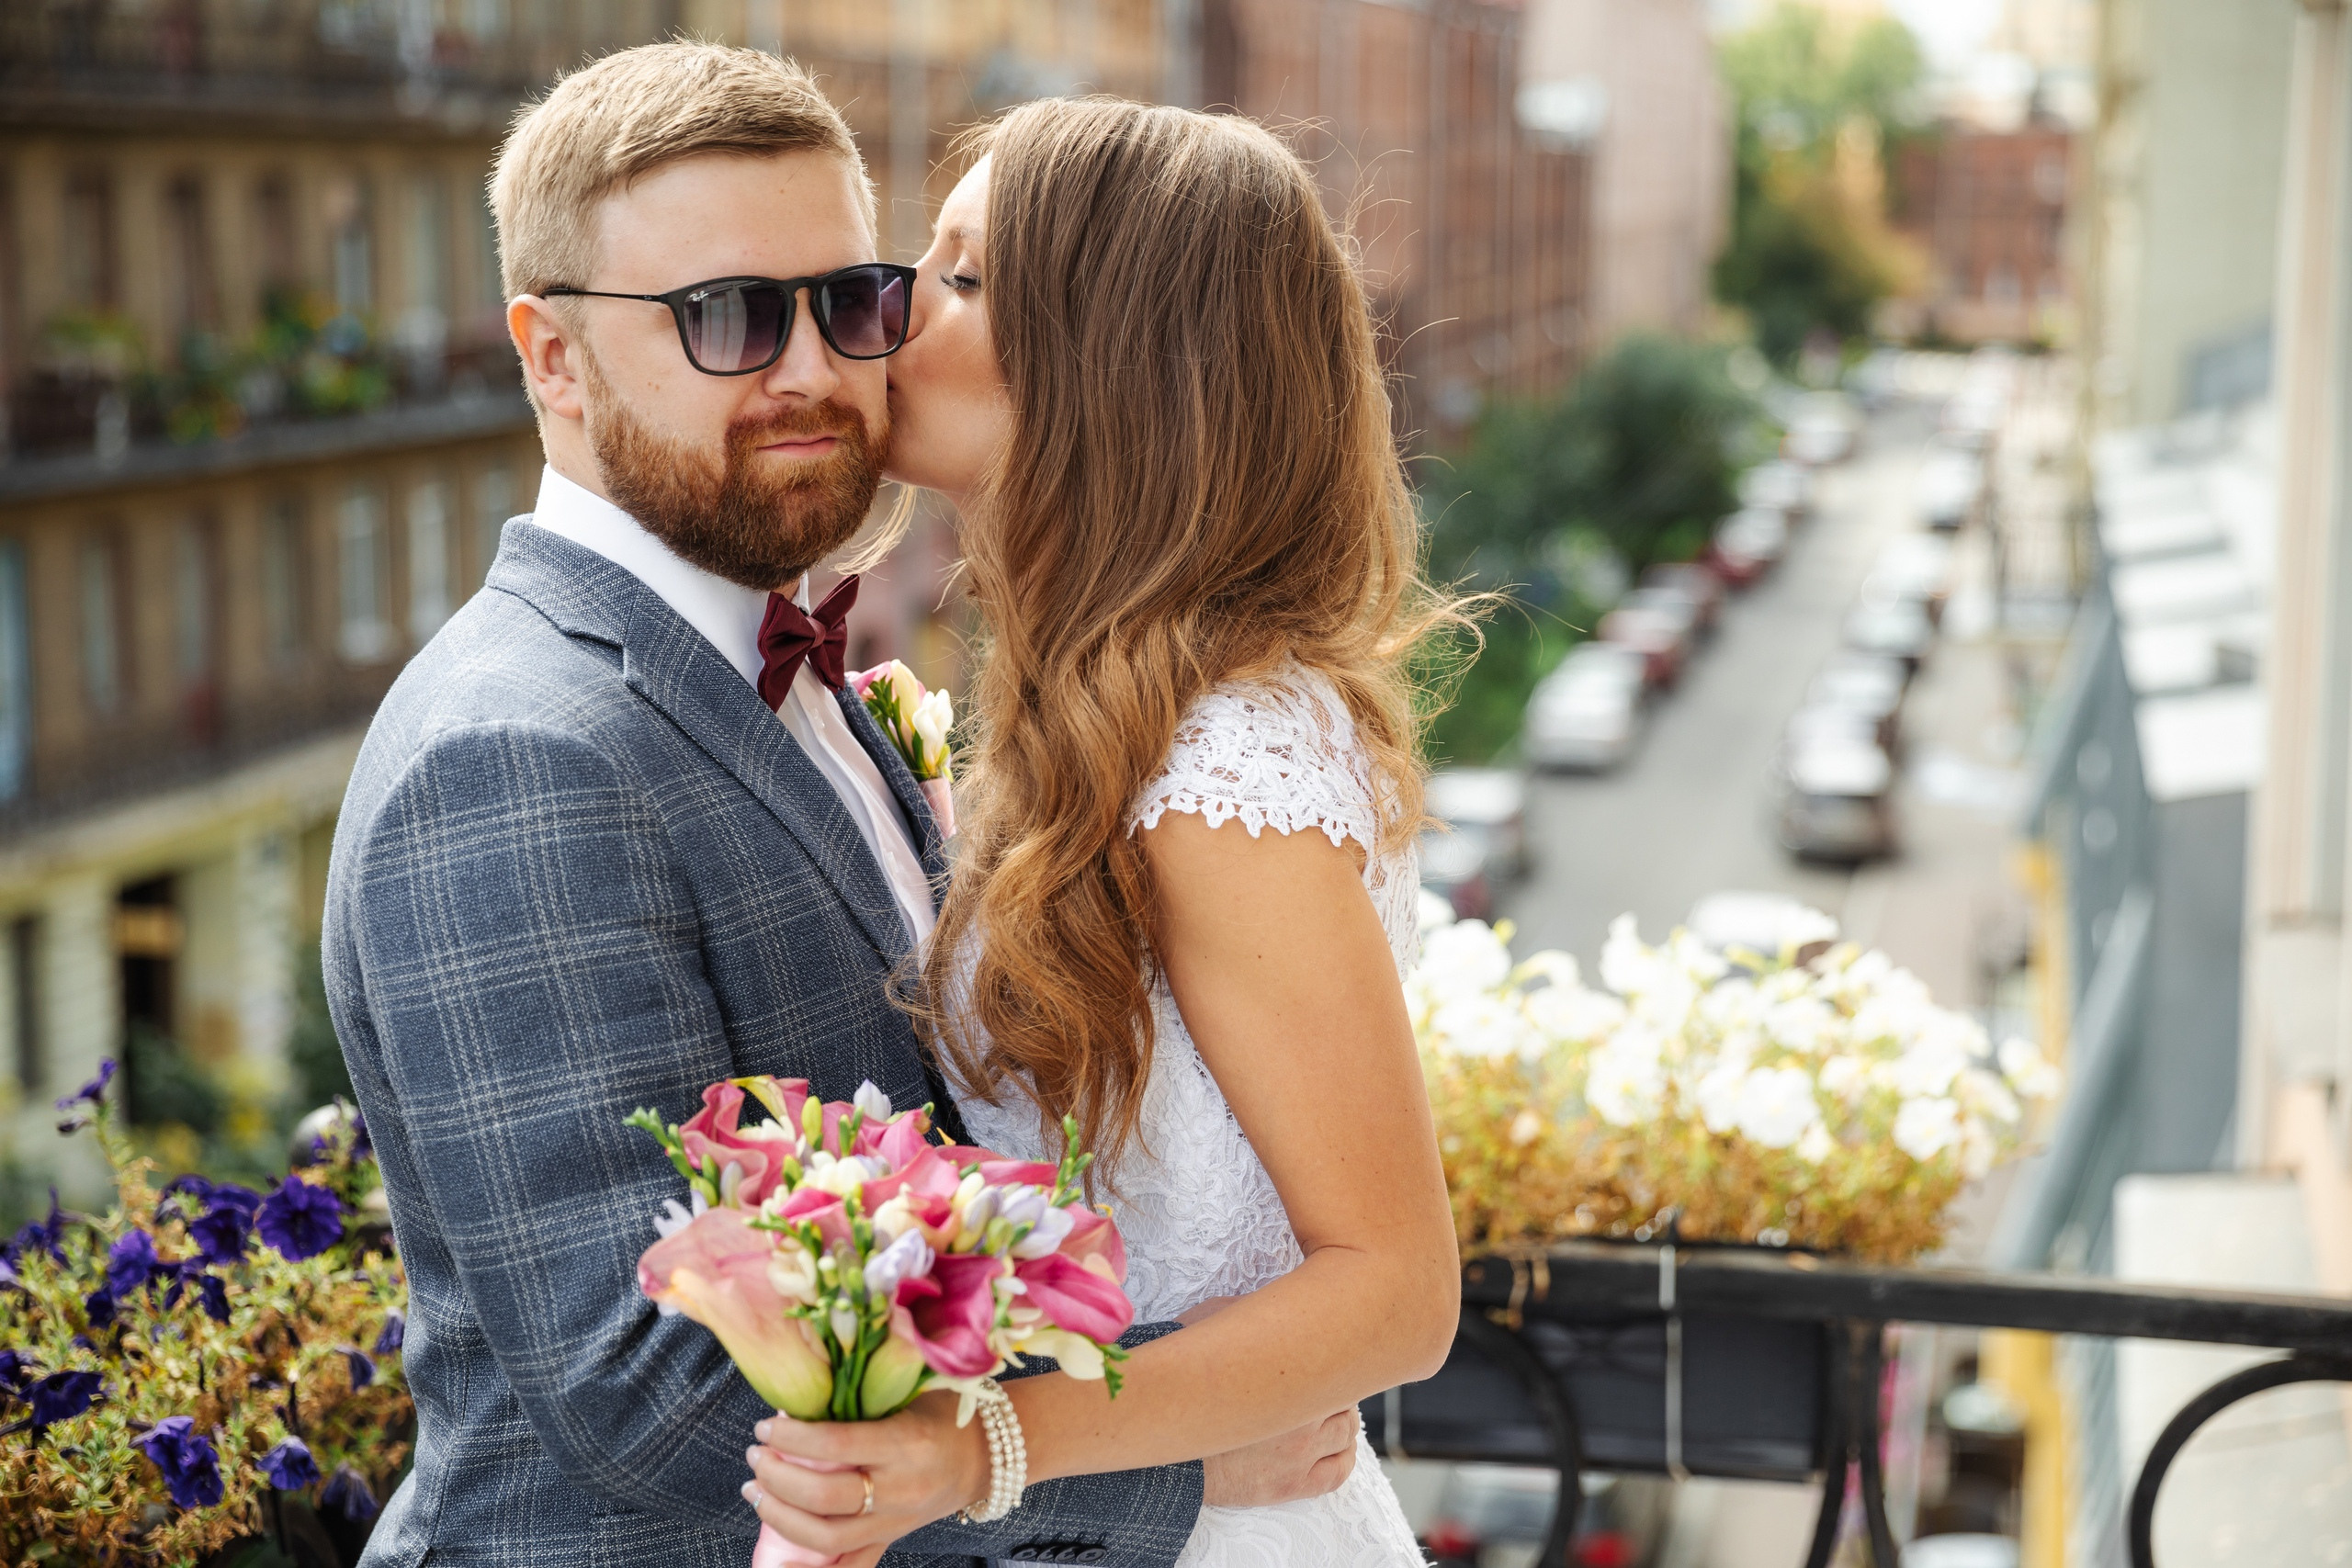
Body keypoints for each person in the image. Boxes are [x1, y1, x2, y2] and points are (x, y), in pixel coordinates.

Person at [323, 46, 1335, 1568]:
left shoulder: (809, 678)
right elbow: (647, 1389)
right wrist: (1175, 1460)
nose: (808, 369)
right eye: (725, 317)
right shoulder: (515, 753)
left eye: (846, 303)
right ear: (552, 360)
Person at [742, 98, 1464, 1568]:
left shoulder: (1218, 760)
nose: (886, 319)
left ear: (1117, 358)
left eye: (958, 278)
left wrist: (985, 1445)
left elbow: (1397, 1289)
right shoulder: (1098, 715)